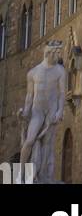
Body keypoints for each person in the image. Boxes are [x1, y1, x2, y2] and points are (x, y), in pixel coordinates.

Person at [19, 41, 65, 183]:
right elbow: (29, 96)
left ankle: (44, 176)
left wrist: (60, 111)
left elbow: (62, 93)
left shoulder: (60, 71)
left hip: (50, 111)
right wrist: (25, 112)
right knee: (30, 140)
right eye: (57, 53)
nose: (59, 56)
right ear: (49, 53)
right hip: (37, 112)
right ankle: (22, 173)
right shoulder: (33, 73)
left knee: (47, 144)